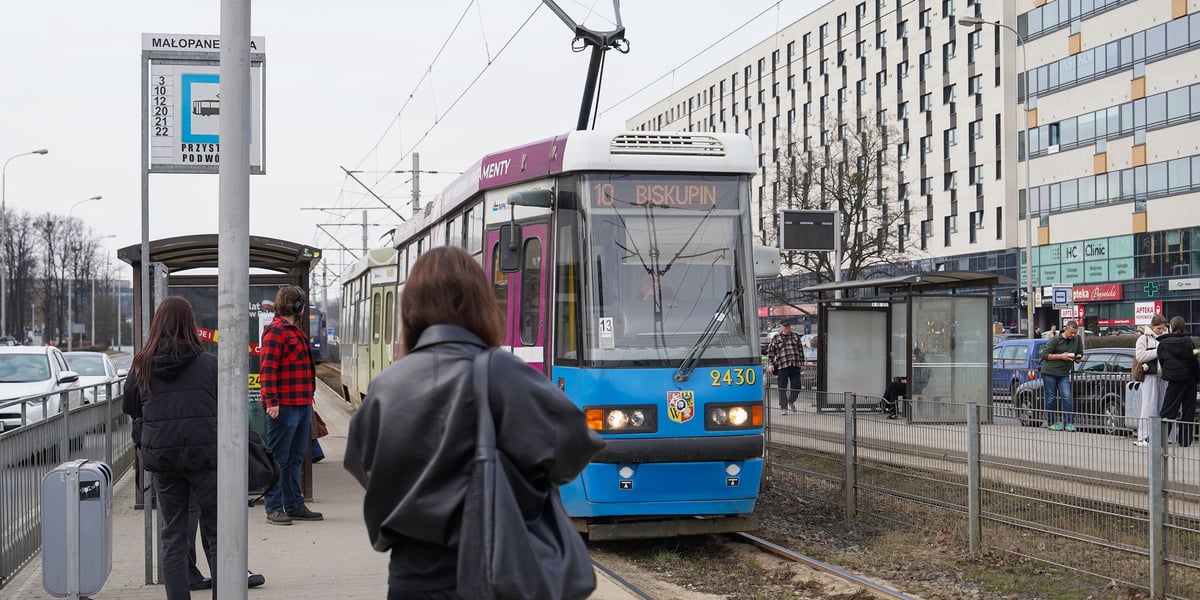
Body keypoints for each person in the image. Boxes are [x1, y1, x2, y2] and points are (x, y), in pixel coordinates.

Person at [343, 246, 604, 599]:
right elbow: (573, 447)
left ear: (409, 309)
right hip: (495, 573)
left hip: (410, 579)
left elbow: (360, 463)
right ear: (481, 304)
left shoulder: (385, 386)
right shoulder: (503, 373)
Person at [122, 296, 219, 600]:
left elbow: (131, 407)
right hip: (206, 458)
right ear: (190, 324)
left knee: (173, 535)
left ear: (157, 323)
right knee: (217, 533)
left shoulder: (141, 365)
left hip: (164, 459)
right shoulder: (209, 364)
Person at [260, 285, 323, 525]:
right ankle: (274, 508)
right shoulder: (276, 331)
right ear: (296, 305)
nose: (303, 307)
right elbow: (267, 370)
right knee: (278, 458)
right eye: (302, 303)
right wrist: (272, 402)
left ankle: (295, 505)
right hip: (283, 406)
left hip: (302, 404)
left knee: (296, 458)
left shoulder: (296, 332)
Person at [1156, 316, 1199, 447]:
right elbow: (1194, 361)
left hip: (1174, 380)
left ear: (1171, 328)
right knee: (1188, 410)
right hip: (1190, 380)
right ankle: (1185, 440)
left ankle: (1160, 439)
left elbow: (1161, 360)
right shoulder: (1189, 342)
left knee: (1168, 410)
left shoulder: (1163, 344)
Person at [1041, 320, 1083, 431]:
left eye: (1075, 333)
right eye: (1071, 332)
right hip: (1050, 372)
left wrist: (1078, 357)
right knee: (1051, 398)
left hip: (1064, 373)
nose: (1073, 335)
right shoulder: (1055, 340)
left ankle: (1068, 423)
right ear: (1066, 329)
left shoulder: (1077, 339)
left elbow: (1080, 352)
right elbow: (1044, 355)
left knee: (1067, 397)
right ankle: (1051, 422)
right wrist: (1061, 356)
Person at [1133, 314, 1169, 447]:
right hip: (1150, 375)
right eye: (1159, 328)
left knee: (1162, 406)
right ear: (1153, 326)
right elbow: (1140, 356)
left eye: (1163, 328)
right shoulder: (1143, 339)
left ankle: (1159, 436)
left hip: (1163, 375)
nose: (1161, 331)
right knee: (1148, 406)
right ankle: (1143, 436)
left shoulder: (1165, 338)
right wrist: (1157, 352)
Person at [766, 319, 805, 414]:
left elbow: (800, 350)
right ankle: (783, 407)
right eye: (785, 326)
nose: (787, 327)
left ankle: (790, 400)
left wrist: (802, 363)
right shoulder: (776, 337)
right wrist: (770, 364)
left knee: (797, 386)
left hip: (794, 365)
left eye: (788, 326)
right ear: (781, 327)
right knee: (782, 387)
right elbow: (771, 352)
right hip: (782, 365)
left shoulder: (795, 336)